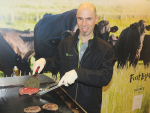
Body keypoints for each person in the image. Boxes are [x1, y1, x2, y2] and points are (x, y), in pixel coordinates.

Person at [33, 2, 114, 113]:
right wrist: (44, 61)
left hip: (89, 109)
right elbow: (56, 63)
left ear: (96, 19)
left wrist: (78, 73)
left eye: (89, 19)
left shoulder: (106, 49)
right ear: (76, 19)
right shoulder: (65, 43)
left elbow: (105, 77)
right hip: (65, 106)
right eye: (80, 19)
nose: (84, 23)